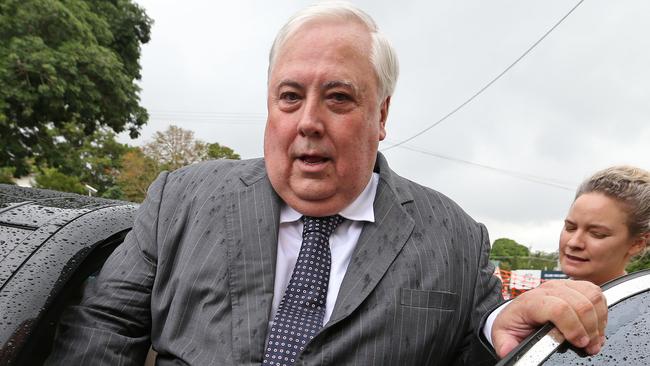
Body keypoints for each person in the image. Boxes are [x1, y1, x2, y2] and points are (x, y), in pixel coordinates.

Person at [46, 2, 606, 365]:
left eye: (338, 97)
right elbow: (102, 329)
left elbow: (480, 344)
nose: (308, 121)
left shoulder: (455, 237)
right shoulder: (181, 201)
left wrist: (506, 334)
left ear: (382, 116)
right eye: (290, 97)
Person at [559, 165, 650, 286]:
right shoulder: (536, 300)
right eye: (570, 228)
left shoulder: (640, 304)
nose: (573, 242)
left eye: (597, 234)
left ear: (637, 243)